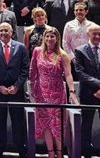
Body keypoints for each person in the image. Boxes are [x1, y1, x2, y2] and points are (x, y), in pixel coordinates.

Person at [29, 27, 77, 158]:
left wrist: (72, 91)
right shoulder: (37, 51)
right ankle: (50, 152)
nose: (49, 39)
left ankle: (60, 153)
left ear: (57, 39)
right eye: (47, 36)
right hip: (41, 92)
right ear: (44, 38)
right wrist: (32, 88)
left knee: (57, 124)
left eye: (52, 37)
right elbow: (32, 71)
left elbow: (68, 74)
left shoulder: (63, 54)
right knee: (44, 123)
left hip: (57, 93)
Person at [73, 25, 100, 158]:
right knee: (86, 125)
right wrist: (99, 84)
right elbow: (80, 73)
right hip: (88, 94)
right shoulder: (79, 51)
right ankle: (86, 152)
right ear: (88, 35)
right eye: (95, 34)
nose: (98, 36)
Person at [0, 22, 29, 157]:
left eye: (6, 30)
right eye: (1, 31)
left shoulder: (21, 48)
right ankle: (0, 148)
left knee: (18, 121)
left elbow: (25, 69)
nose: (4, 33)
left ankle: (20, 147)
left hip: (16, 92)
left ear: (12, 33)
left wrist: (17, 86)